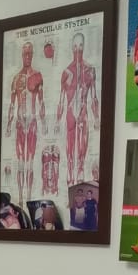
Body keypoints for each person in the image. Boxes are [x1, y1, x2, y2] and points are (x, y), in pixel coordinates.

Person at [4, 40, 46, 203]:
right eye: (25, 54)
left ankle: (28, 197)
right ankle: (21, 197)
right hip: (20, 124)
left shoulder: (38, 76)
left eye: (30, 53)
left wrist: (44, 123)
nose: (27, 56)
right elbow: (11, 104)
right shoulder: (16, 79)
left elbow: (41, 102)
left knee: (30, 162)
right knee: (21, 163)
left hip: (33, 123)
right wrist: (9, 125)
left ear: (33, 55)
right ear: (22, 55)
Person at [56, 31, 99, 189]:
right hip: (70, 113)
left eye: (80, 45)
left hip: (82, 112)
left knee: (81, 149)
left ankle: (79, 179)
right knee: (70, 149)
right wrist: (57, 120)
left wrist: (97, 118)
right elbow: (61, 99)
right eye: (75, 46)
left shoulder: (90, 70)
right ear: (71, 47)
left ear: (84, 46)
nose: (78, 49)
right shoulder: (66, 72)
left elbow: (93, 97)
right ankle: (70, 178)